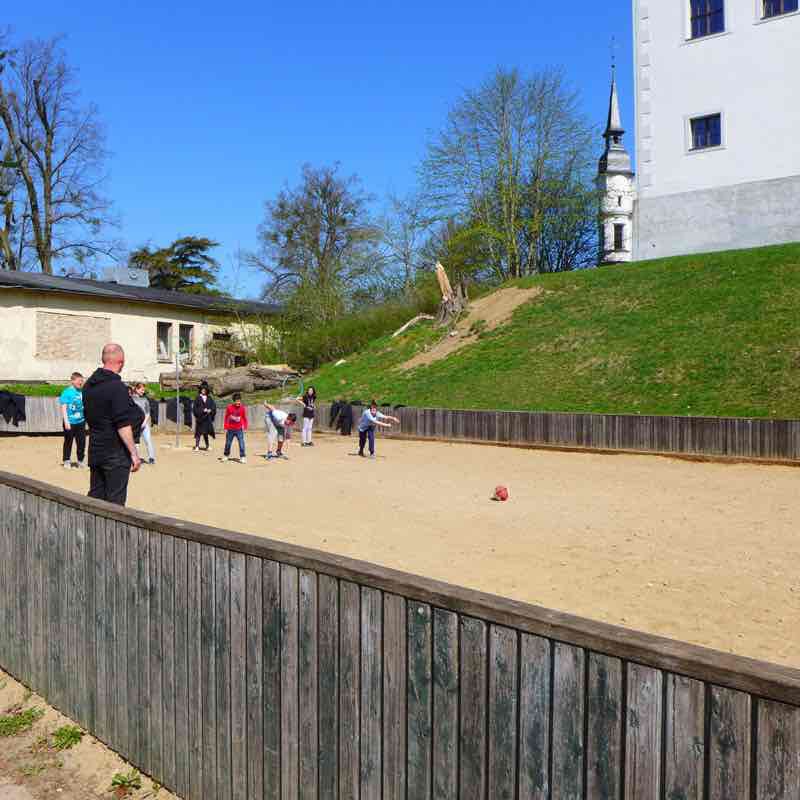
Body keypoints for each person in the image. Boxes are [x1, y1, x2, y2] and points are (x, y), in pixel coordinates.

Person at [82, 343, 143, 506]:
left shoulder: (88, 386)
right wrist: (134, 453)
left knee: (95, 499)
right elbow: (122, 424)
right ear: (121, 361)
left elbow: (89, 416)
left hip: (96, 449)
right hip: (116, 454)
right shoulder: (117, 387)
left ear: (103, 359)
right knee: (115, 503)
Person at [59, 372, 86, 468]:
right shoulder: (66, 392)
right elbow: (63, 407)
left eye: (82, 381)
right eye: (79, 381)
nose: (81, 383)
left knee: (81, 442)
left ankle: (80, 461)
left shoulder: (82, 391)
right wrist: (66, 421)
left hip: (81, 421)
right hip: (70, 422)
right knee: (68, 441)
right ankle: (66, 460)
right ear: (73, 381)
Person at [132, 382, 156, 465]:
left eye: (143, 390)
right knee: (135, 442)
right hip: (135, 424)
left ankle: (151, 457)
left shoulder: (145, 400)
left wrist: (144, 422)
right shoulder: (131, 399)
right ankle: (136, 458)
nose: (143, 391)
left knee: (148, 440)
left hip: (144, 424)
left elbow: (148, 413)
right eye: (142, 390)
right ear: (137, 389)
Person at [220, 393, 248, 463]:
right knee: (228, 443)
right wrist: (225, 427)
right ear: (234, 401)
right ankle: (226, 455)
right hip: (230, 429)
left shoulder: (242, 408)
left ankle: (242, 456)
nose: (238, 402)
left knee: (241, 443)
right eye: (236, 401)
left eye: (239, 401)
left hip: (239, 429)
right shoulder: (229, 407)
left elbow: (244, 418)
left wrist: (245, 427)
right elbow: (226, 417)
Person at [192, 382, 217, 452]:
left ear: (207, 390)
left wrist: (210, 410)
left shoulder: (209, 398)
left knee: (206, 432)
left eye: (205, 389)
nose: (203, 390)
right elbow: (194, 409)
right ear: (200, 390)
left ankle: (207, 446)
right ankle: (197, 446)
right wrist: (203, 410)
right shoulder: (197, 398)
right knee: (198, 433)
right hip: (200, 418)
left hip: (207, 419)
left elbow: (214, 407)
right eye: (202, 389)